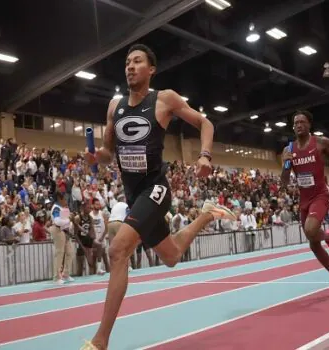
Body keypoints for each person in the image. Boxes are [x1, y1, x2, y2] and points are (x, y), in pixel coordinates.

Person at [82, 44, 236, 350]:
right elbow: (108, 152)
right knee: (171, 256)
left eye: (137, 61)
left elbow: (206, 122)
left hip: (156, 188)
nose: (130, 66)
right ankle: (206, 213)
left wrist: (205, 156)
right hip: (133, 193)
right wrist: (95, 157)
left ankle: (100, 341)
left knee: (117, 250)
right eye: (127, 62)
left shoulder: (163, 99)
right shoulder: (115, 106)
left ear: (151, 70)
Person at [281, 110, 329, 297]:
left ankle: (327, 237)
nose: (298, 125)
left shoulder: (321, 143)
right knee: (313, 244)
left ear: (309, 125)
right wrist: (285, 165)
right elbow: (284, 183)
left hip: (320, 195)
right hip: (304, 199)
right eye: (295, 123)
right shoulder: (289, 150)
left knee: (311, 230)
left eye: (302, 122)